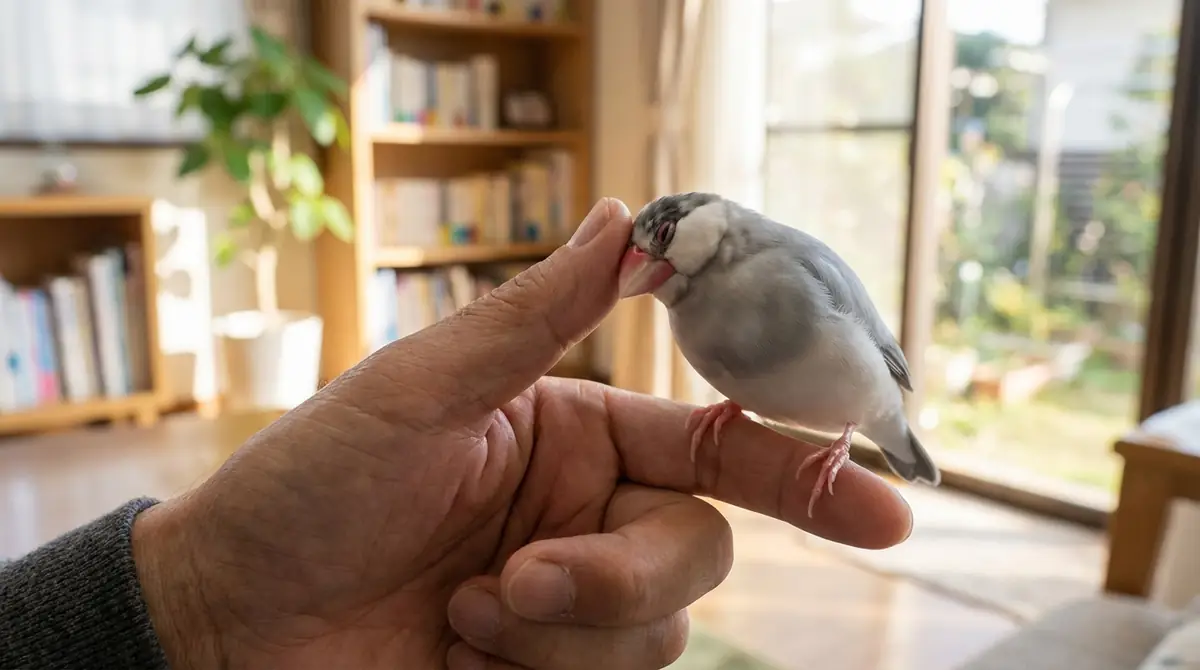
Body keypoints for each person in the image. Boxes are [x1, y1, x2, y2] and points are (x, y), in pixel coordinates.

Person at [0, 198, 913, 670]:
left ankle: (867, 439)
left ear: (712, 224)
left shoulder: (795, 266)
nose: (649, 270)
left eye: (663, 243)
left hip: (853, 403)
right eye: (644, 257)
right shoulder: (682, 302)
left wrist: (857, 427)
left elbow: (868, 338)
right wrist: (188, 607)